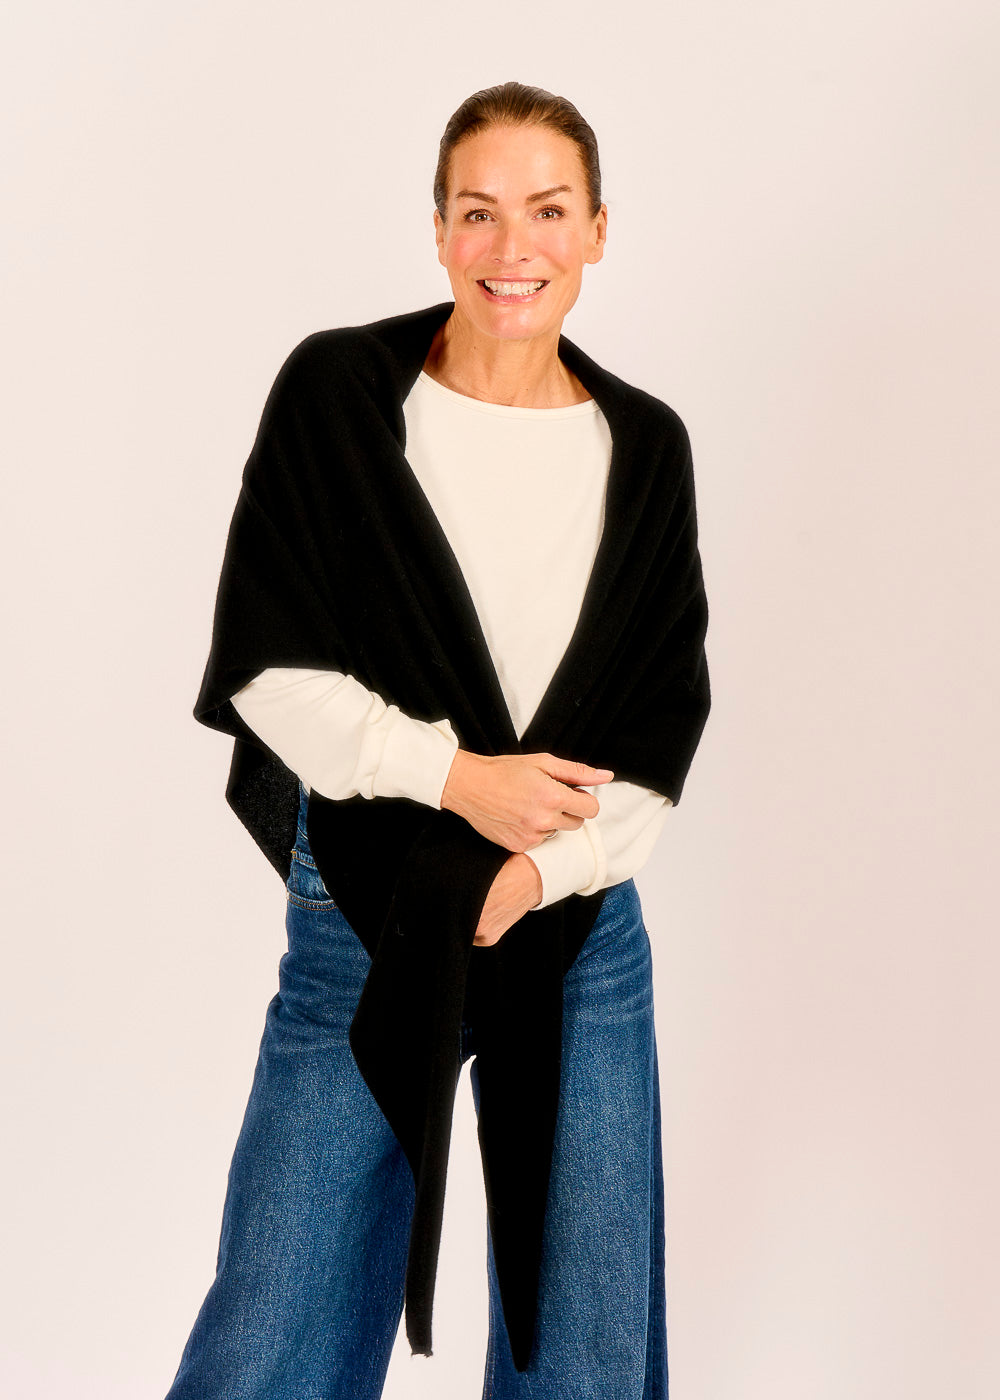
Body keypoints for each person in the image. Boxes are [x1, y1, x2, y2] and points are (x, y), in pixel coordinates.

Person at [165, 81, 710, 1400]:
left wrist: (537, 872)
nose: (511, 247)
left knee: (583, 1347)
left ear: (597, 232)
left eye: (548, 211)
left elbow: (659, 728)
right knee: (275, 1330)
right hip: (367, 903)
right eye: (478, 212)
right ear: (438, 229)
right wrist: (458, 781)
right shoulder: (340, 395)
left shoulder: (645, 446)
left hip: (572, 923)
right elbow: (271, 670)